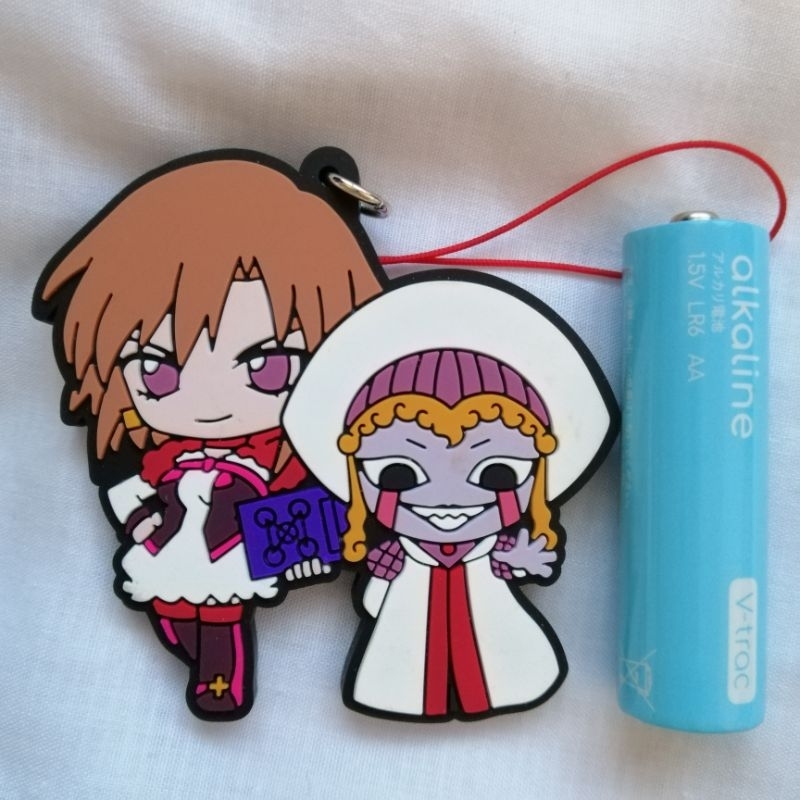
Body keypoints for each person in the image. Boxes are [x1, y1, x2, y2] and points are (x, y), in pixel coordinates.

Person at [34, 150, 383, 719]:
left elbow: (326, 512)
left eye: (267, 367)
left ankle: (220, 681)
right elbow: (128, 486)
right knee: (173, 612)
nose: (212, 405)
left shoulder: (294, 455)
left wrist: (313, 548)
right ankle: (202, 660)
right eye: (157, 371)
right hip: (170, 545)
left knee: (220, 621)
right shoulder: (155, 454)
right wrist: (140, 518)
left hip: (242, 549)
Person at [283, 274, 618, 721]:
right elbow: (371, 602)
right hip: (399, 663)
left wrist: (523, 561)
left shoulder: (496, 551)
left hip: (509, 659)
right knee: (400, 676)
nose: (447, 498)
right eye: (397, 472)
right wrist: (381, 575)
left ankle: (502, 686)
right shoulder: (395, 554)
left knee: (506, 664)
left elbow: (527, 568)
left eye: (498, 472)